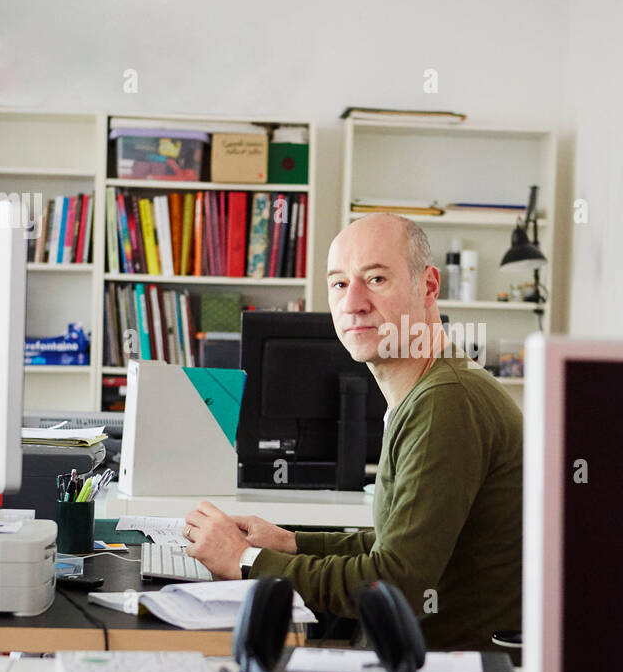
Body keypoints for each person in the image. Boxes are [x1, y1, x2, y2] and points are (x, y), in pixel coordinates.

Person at [183, 212, 523, 649]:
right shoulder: (431, 391)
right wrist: (288, 542)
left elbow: (396, 582)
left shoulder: (446, 402)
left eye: (376, 279)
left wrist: (244, 560)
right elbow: (394, 543)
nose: (353, 302)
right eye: (340, 284)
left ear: (430, 286)